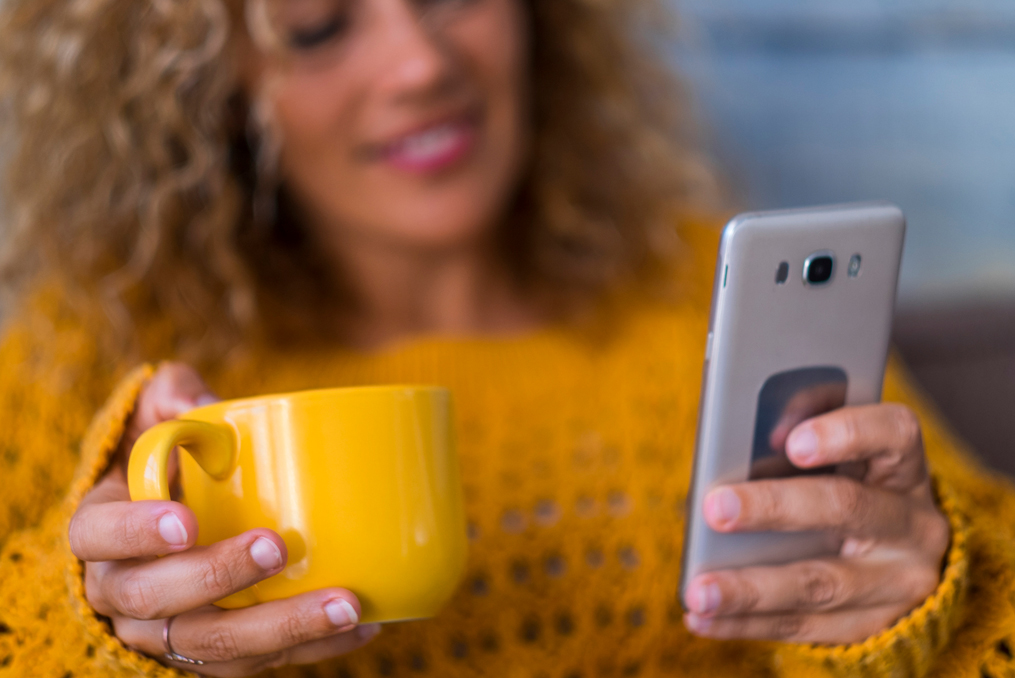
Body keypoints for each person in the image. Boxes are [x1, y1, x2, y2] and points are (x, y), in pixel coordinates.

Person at [0, 0, 1013, 676]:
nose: (420, 61)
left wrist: (912, 615)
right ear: (199, 84)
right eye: (314, 27)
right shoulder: (88, 356)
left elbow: (976, 597)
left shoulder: (708, 290)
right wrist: (94, 639)